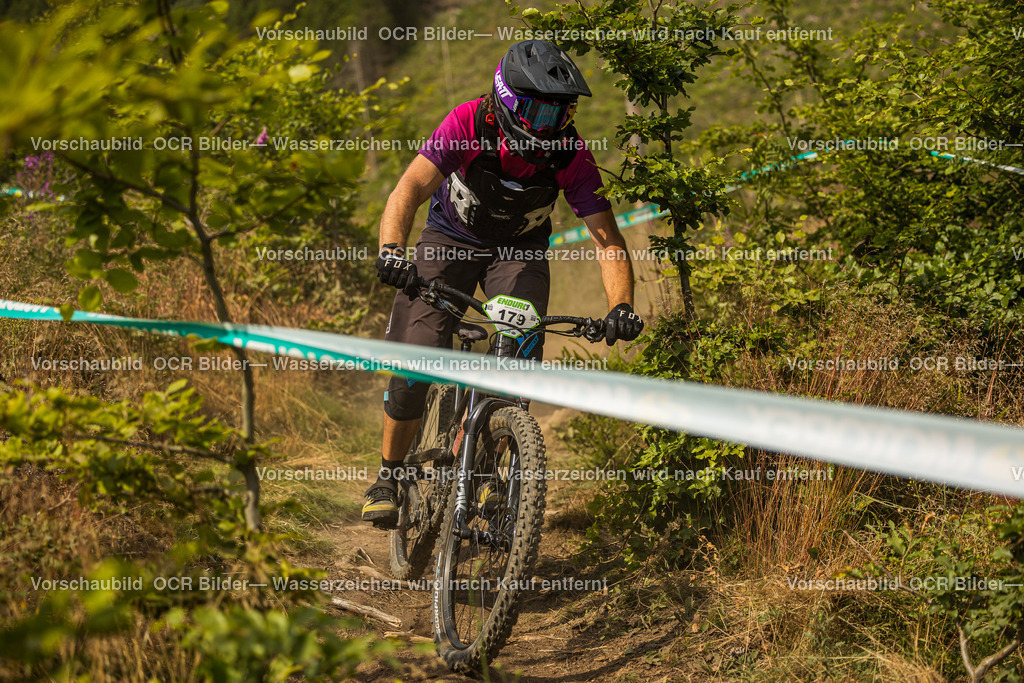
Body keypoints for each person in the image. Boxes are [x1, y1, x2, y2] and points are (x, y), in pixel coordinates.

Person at [362, 40, 644, 527]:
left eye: (562, 112)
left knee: (517, 354)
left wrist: (621, 305)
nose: (550, 125)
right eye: (539, 111)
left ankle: (490, 470)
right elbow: (409, 188)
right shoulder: (468, 122)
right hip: (449, 240)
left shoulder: (571, 155)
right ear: (508, 101)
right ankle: (388, 475)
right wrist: (392, 251)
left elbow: (608, 240)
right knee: (416, 360)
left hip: (518, 251)